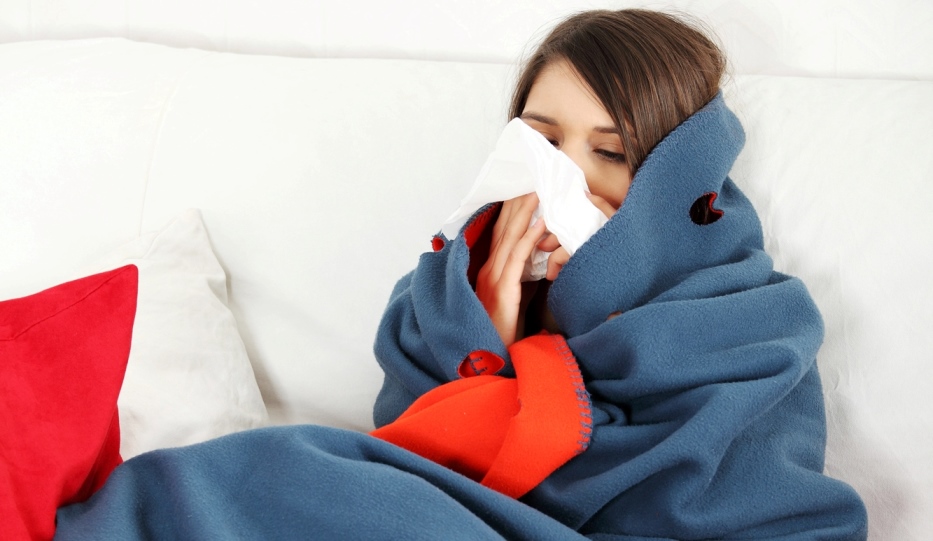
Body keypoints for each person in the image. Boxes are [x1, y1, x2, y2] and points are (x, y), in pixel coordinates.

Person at [54, 9, 868, 541]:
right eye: (542, 143)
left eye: (612, 153)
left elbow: (766, 513)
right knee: (268, 470)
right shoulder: (443, 298)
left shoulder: (748, 321)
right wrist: (486, 341)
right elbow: (412, 474)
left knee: (295, 464)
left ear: (676, 177)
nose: (570, 179)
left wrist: (517, 381)